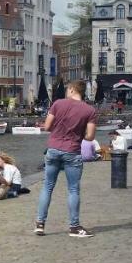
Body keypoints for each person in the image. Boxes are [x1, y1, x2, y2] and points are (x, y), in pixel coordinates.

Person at [34, 78, 97, 238]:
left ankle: (40, 224)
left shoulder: (57, 104)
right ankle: (74, 227)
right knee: (73, 189)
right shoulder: (89, 111)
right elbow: (90, 137)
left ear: (71, 90)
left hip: (53, 148)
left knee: (47, 186)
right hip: (72, 151)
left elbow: (47, 126)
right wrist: (78, 133)